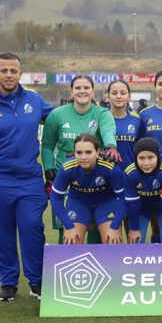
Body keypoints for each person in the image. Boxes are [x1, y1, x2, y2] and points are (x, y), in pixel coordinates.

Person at [0, 52, 54, 301]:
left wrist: (90, 113)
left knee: (32, 227)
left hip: (29, 180)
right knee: (1, 233)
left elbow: (58, 118)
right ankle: (8, 283)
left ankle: (37, 282)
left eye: (13, 70)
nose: (9, 75)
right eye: (4, 70)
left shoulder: (34, 100)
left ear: (20, 73)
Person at [42, 75, 120, 244]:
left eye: (86, 88)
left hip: (96, 179)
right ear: (71, 91)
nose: (82, 91)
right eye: (78, 88)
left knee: (98, 230)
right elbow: (47, 145)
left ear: (93, 91)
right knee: (67, 230)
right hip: (66, 178)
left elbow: (108, 131)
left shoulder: (102, 114)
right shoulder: (57, 114)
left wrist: (111, 146)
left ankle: (98, 267)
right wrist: (49, 171)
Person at [49, 134, 126, 244]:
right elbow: (55, 198)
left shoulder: (110, 168)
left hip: (106, 202)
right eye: (79, 152)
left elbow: (122, 198)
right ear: (74, 152)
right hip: (78, 202)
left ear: (97, 152)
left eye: (88, 152)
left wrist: (114, 227)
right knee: (72, 241)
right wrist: (69, 227)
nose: (83, 157)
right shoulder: (67, 168)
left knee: (112, 242)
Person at [123, 138, 162, 244]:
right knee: (136, 241)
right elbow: (133, 204)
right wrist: (134, 229)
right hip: (141, 208)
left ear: (158, 156)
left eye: (150, 157)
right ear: (135, 158)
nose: (146, 163)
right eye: (141, 158)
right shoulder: (130, 173)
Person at [109, 79, 142, 172]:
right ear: (108, 96)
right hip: (105, 178)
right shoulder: (100, 119)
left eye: (123, 93)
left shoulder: (137, 120)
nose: (118, 96)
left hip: (129, 175)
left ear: (129, 96)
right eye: (114, 93)